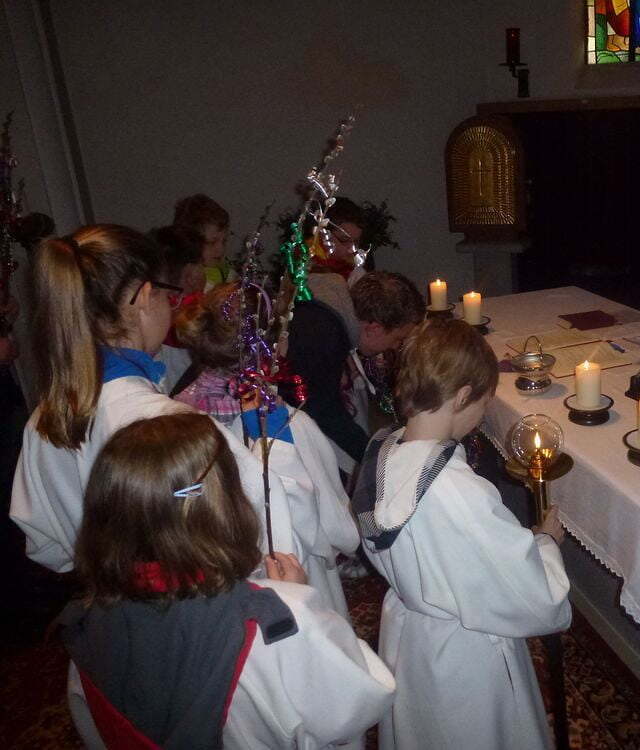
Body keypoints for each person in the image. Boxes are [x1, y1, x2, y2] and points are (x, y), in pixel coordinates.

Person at [59, 413, 395, 749]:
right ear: (223, 505)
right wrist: (302, 598)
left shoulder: (85, 626)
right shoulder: (277, 621)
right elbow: (357, 703)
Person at [9, 226, 320, 577]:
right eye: (169, 296)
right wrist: (274, 444)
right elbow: (277, 543)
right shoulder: (174, 428)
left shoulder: (47, 416)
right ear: (145, 296)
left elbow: (47, 546)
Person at [352, 318, 572, 750]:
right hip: (464, 651)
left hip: (412, 634)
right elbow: (529, 594)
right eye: (483, 405)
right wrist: (545, 544)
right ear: (462, 396)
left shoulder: (383, 450)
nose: (481, 416)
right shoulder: (456, 491)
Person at [174, 281, 362, 616]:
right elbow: (332, 525)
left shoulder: (174, 417)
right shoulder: (286, 425)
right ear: (271, 345)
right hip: (292, 575)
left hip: (217, 585)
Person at [286, 270, 424, 473]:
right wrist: (380, 460)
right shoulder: (323, 334)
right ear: (374, 328)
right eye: (398, 339)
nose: (396, 347)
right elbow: (326, 413)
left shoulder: (332, 304)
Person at [149, 224, 206, 394]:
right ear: (189, 274)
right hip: (182, 383)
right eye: (202, 265)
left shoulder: (157, 301)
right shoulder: (194, 307)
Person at [173, 193, 232, 291]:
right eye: (211, 242)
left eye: (224, 241)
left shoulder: (226, 272)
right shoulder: (179, 276)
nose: (221, 249)